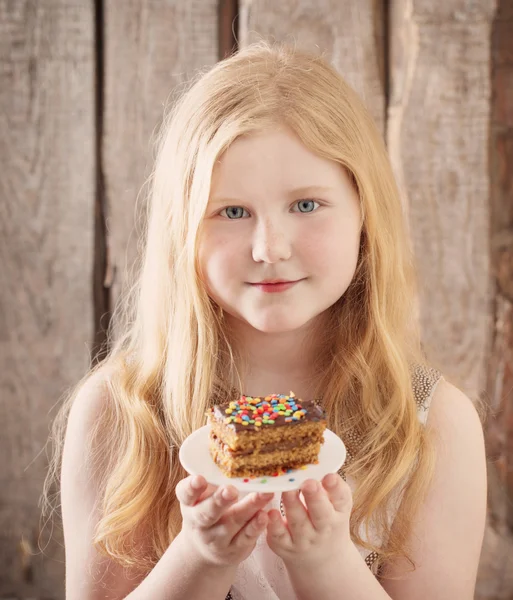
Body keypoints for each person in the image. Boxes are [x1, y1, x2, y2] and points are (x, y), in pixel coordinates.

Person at [42, 41, 487, 600]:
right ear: (183, 231)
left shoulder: (432, 426)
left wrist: (326, 564)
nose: (269, 248)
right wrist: (199, 557)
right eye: (231, 211)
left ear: (364, 214)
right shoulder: (120, 412)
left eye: (306, 205)